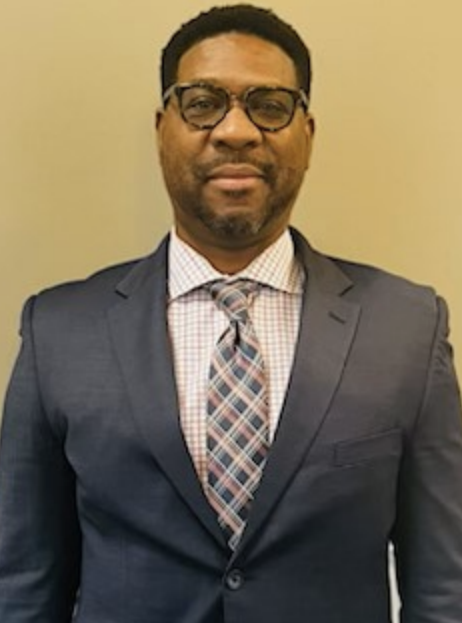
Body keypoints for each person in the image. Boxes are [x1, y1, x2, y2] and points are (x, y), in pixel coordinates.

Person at [1, 4, 461, 622]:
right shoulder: (58, 331)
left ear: (308, 133)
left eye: (269, 105)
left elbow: (444, 588)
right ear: (162, 128)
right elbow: (24, 585)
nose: (236, 131)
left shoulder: (407, 328)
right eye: (202, 103)